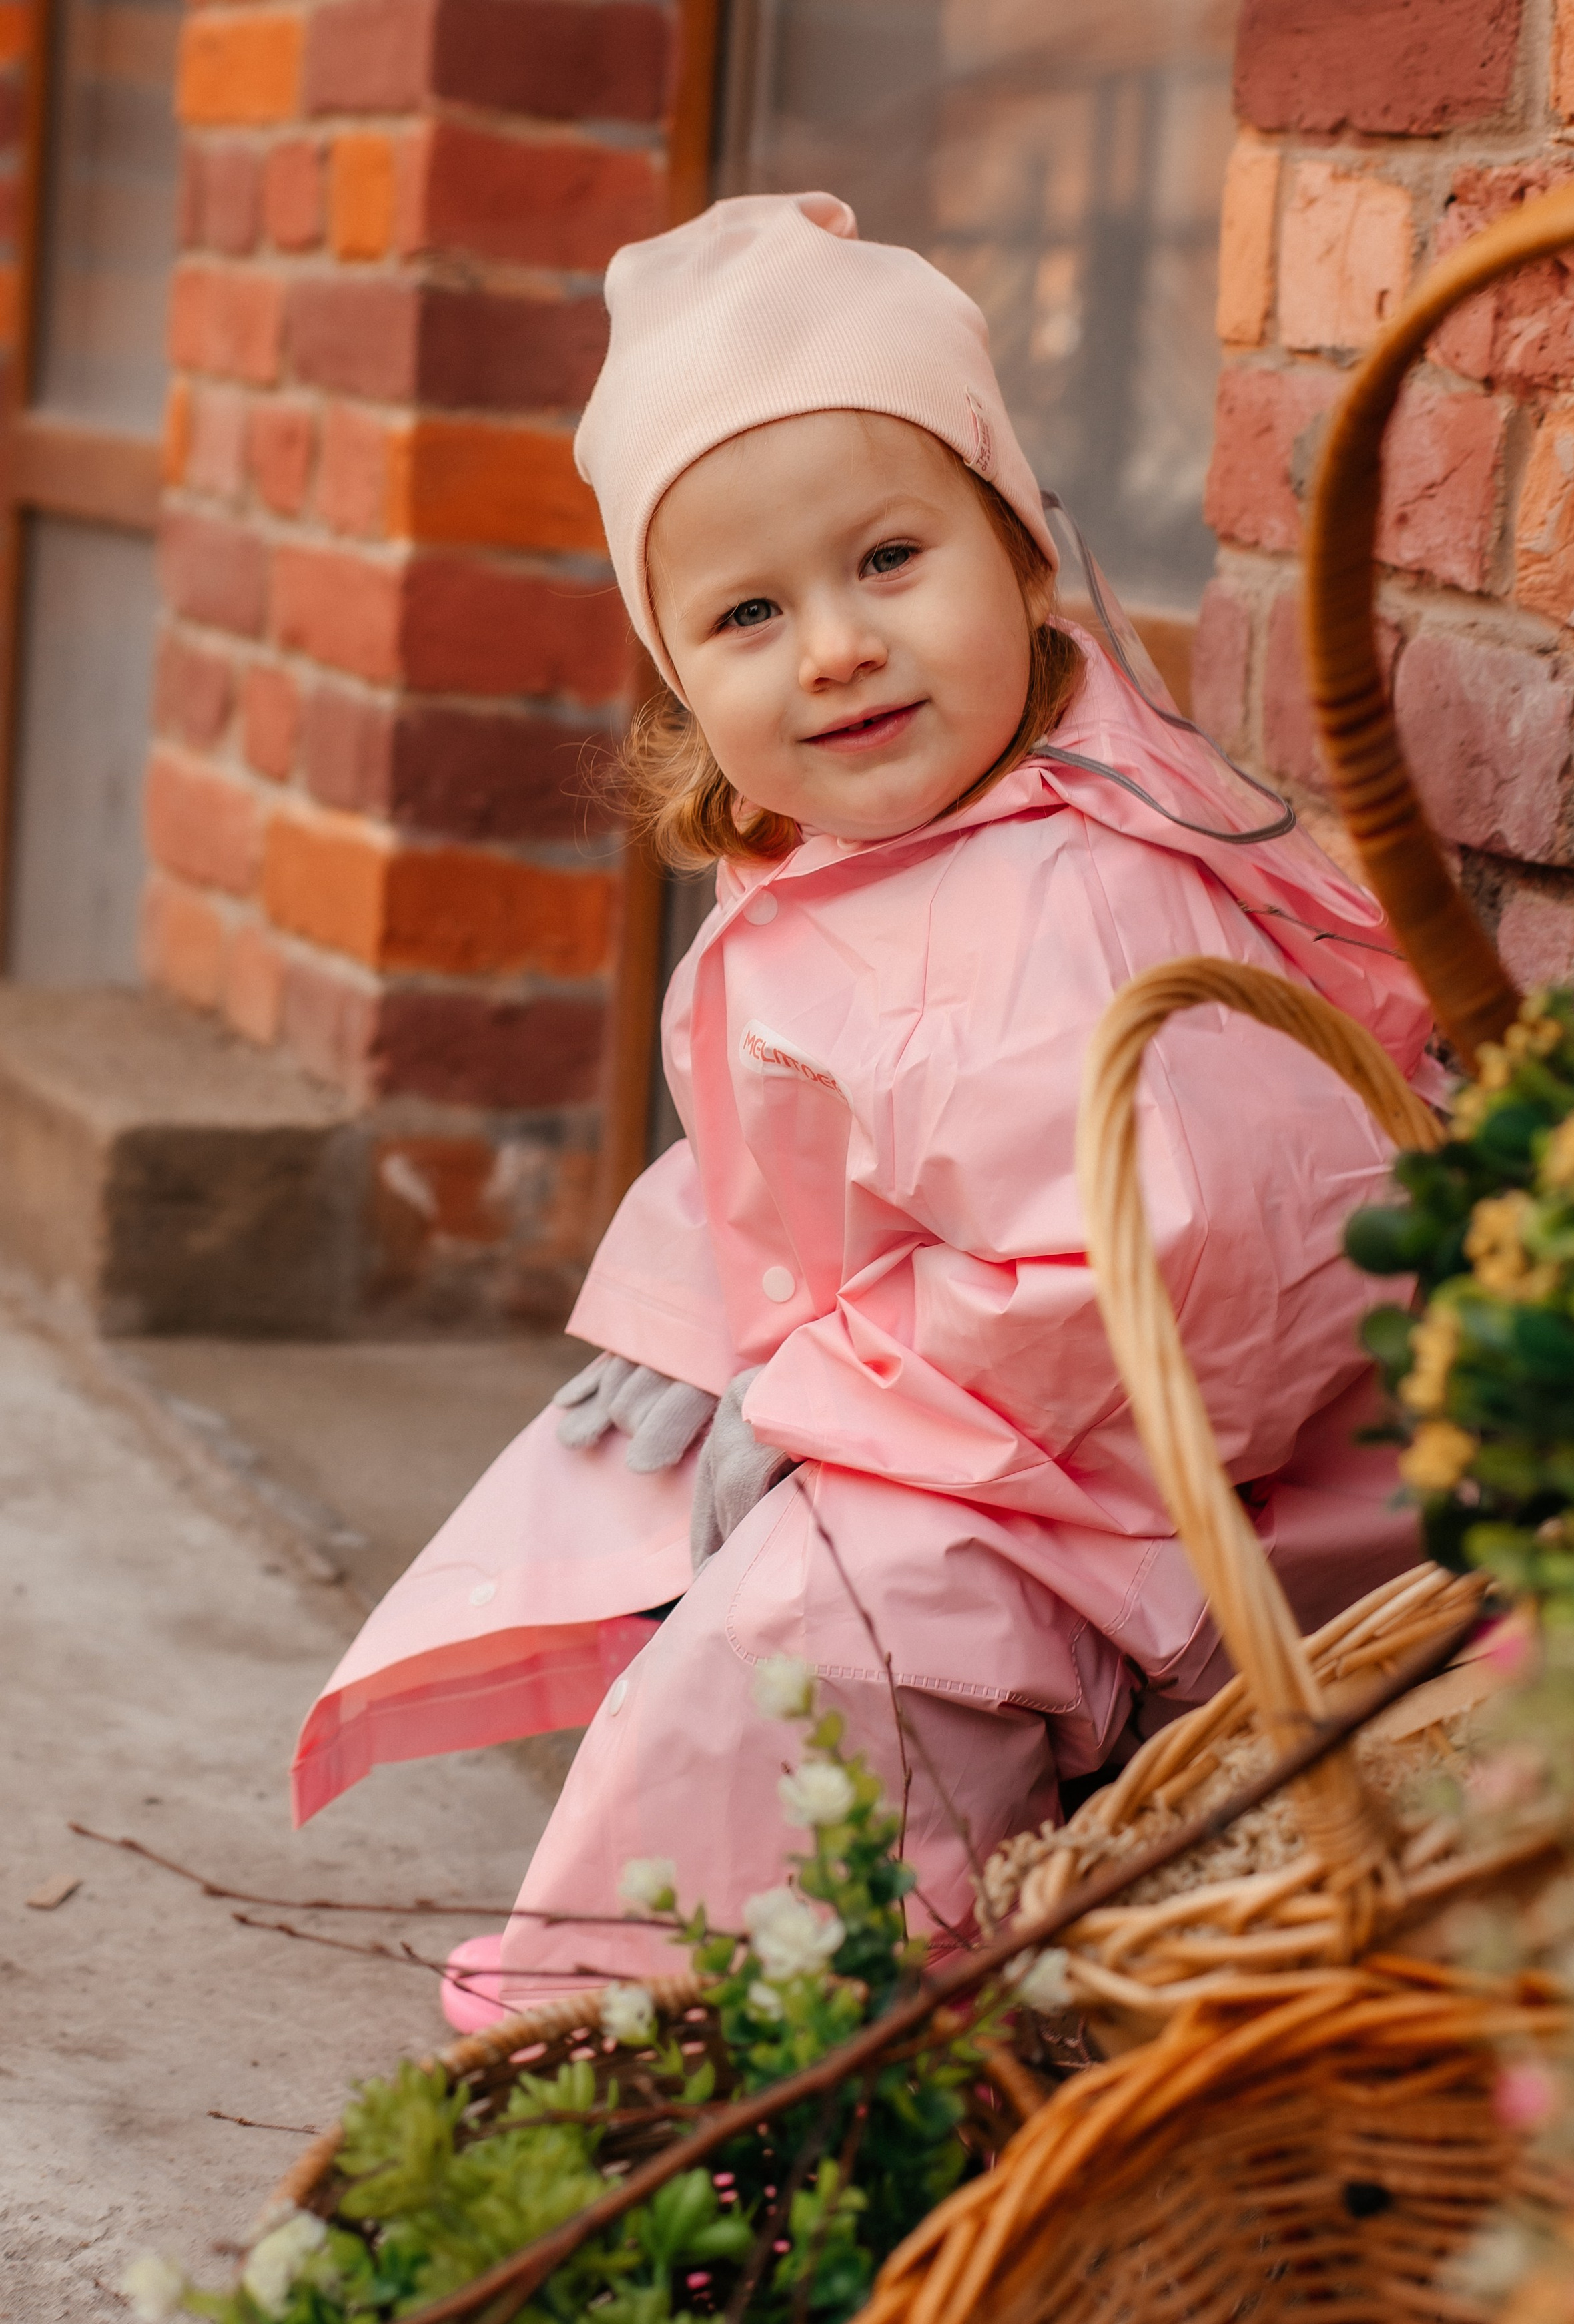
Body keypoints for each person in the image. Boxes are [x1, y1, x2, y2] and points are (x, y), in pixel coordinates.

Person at [290, 192, 1439, 2029]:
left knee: (809, 1645)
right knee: (645, 1506)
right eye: (749, 613)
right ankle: (720, 1970)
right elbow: (775, 1159)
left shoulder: (1075, 899)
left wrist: (815, 1396)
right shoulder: (832, 866)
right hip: (981, 1426)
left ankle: (750, 2037)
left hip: (1179, 1483)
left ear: (1020, 558)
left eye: (888, 562)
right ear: (679, 674)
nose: (832, 646)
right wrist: (690, 1340)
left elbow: (1179, 1267)